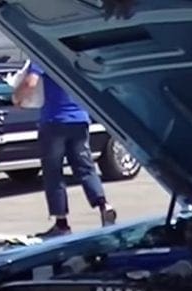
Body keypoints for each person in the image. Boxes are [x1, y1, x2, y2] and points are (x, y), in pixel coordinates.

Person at [14, 62, 116, 238]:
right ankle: (103, 204)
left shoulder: (41, 57)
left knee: (53, 172)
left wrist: (17, 98)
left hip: (55, 121)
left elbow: (30, 83)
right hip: (80, 119)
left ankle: (61, 223)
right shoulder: (71, 57)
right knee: (86, 167)